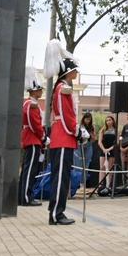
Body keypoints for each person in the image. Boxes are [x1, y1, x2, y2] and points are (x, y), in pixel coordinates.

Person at [44, 40, 79, 226]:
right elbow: (66, 115)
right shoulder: (63, 89)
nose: (76, 73)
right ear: (68, 72)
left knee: (60, 176)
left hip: (61, 137)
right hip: (64, 137)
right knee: (60, 178)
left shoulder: (59, 88)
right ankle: (57, 213)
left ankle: (56, 212)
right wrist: (77, 131)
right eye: (75, 70)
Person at [18, 78, 46, 206]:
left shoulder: (30, 103)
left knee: (27, 169)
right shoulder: (31, 104)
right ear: (34, 91)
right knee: (30, 170)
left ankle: (23, 196)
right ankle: (26, 197)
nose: (41, 92)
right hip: (32, 138)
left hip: (31, 138)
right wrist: (43, 136)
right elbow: (34, 123)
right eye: (39, 90)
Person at [97, 115, 118, 196]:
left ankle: (108, 186)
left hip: (112, 151)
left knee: (110, 168)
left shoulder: (115, 131)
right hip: (103, 150)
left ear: (112, 121)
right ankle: (100, 186)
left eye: (109, 120)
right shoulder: (102, 130)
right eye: (107, 120)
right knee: (102, 167)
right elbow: (99, 142)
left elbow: (117, 143)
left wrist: (110, 149)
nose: (108, 121)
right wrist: (104, 149)